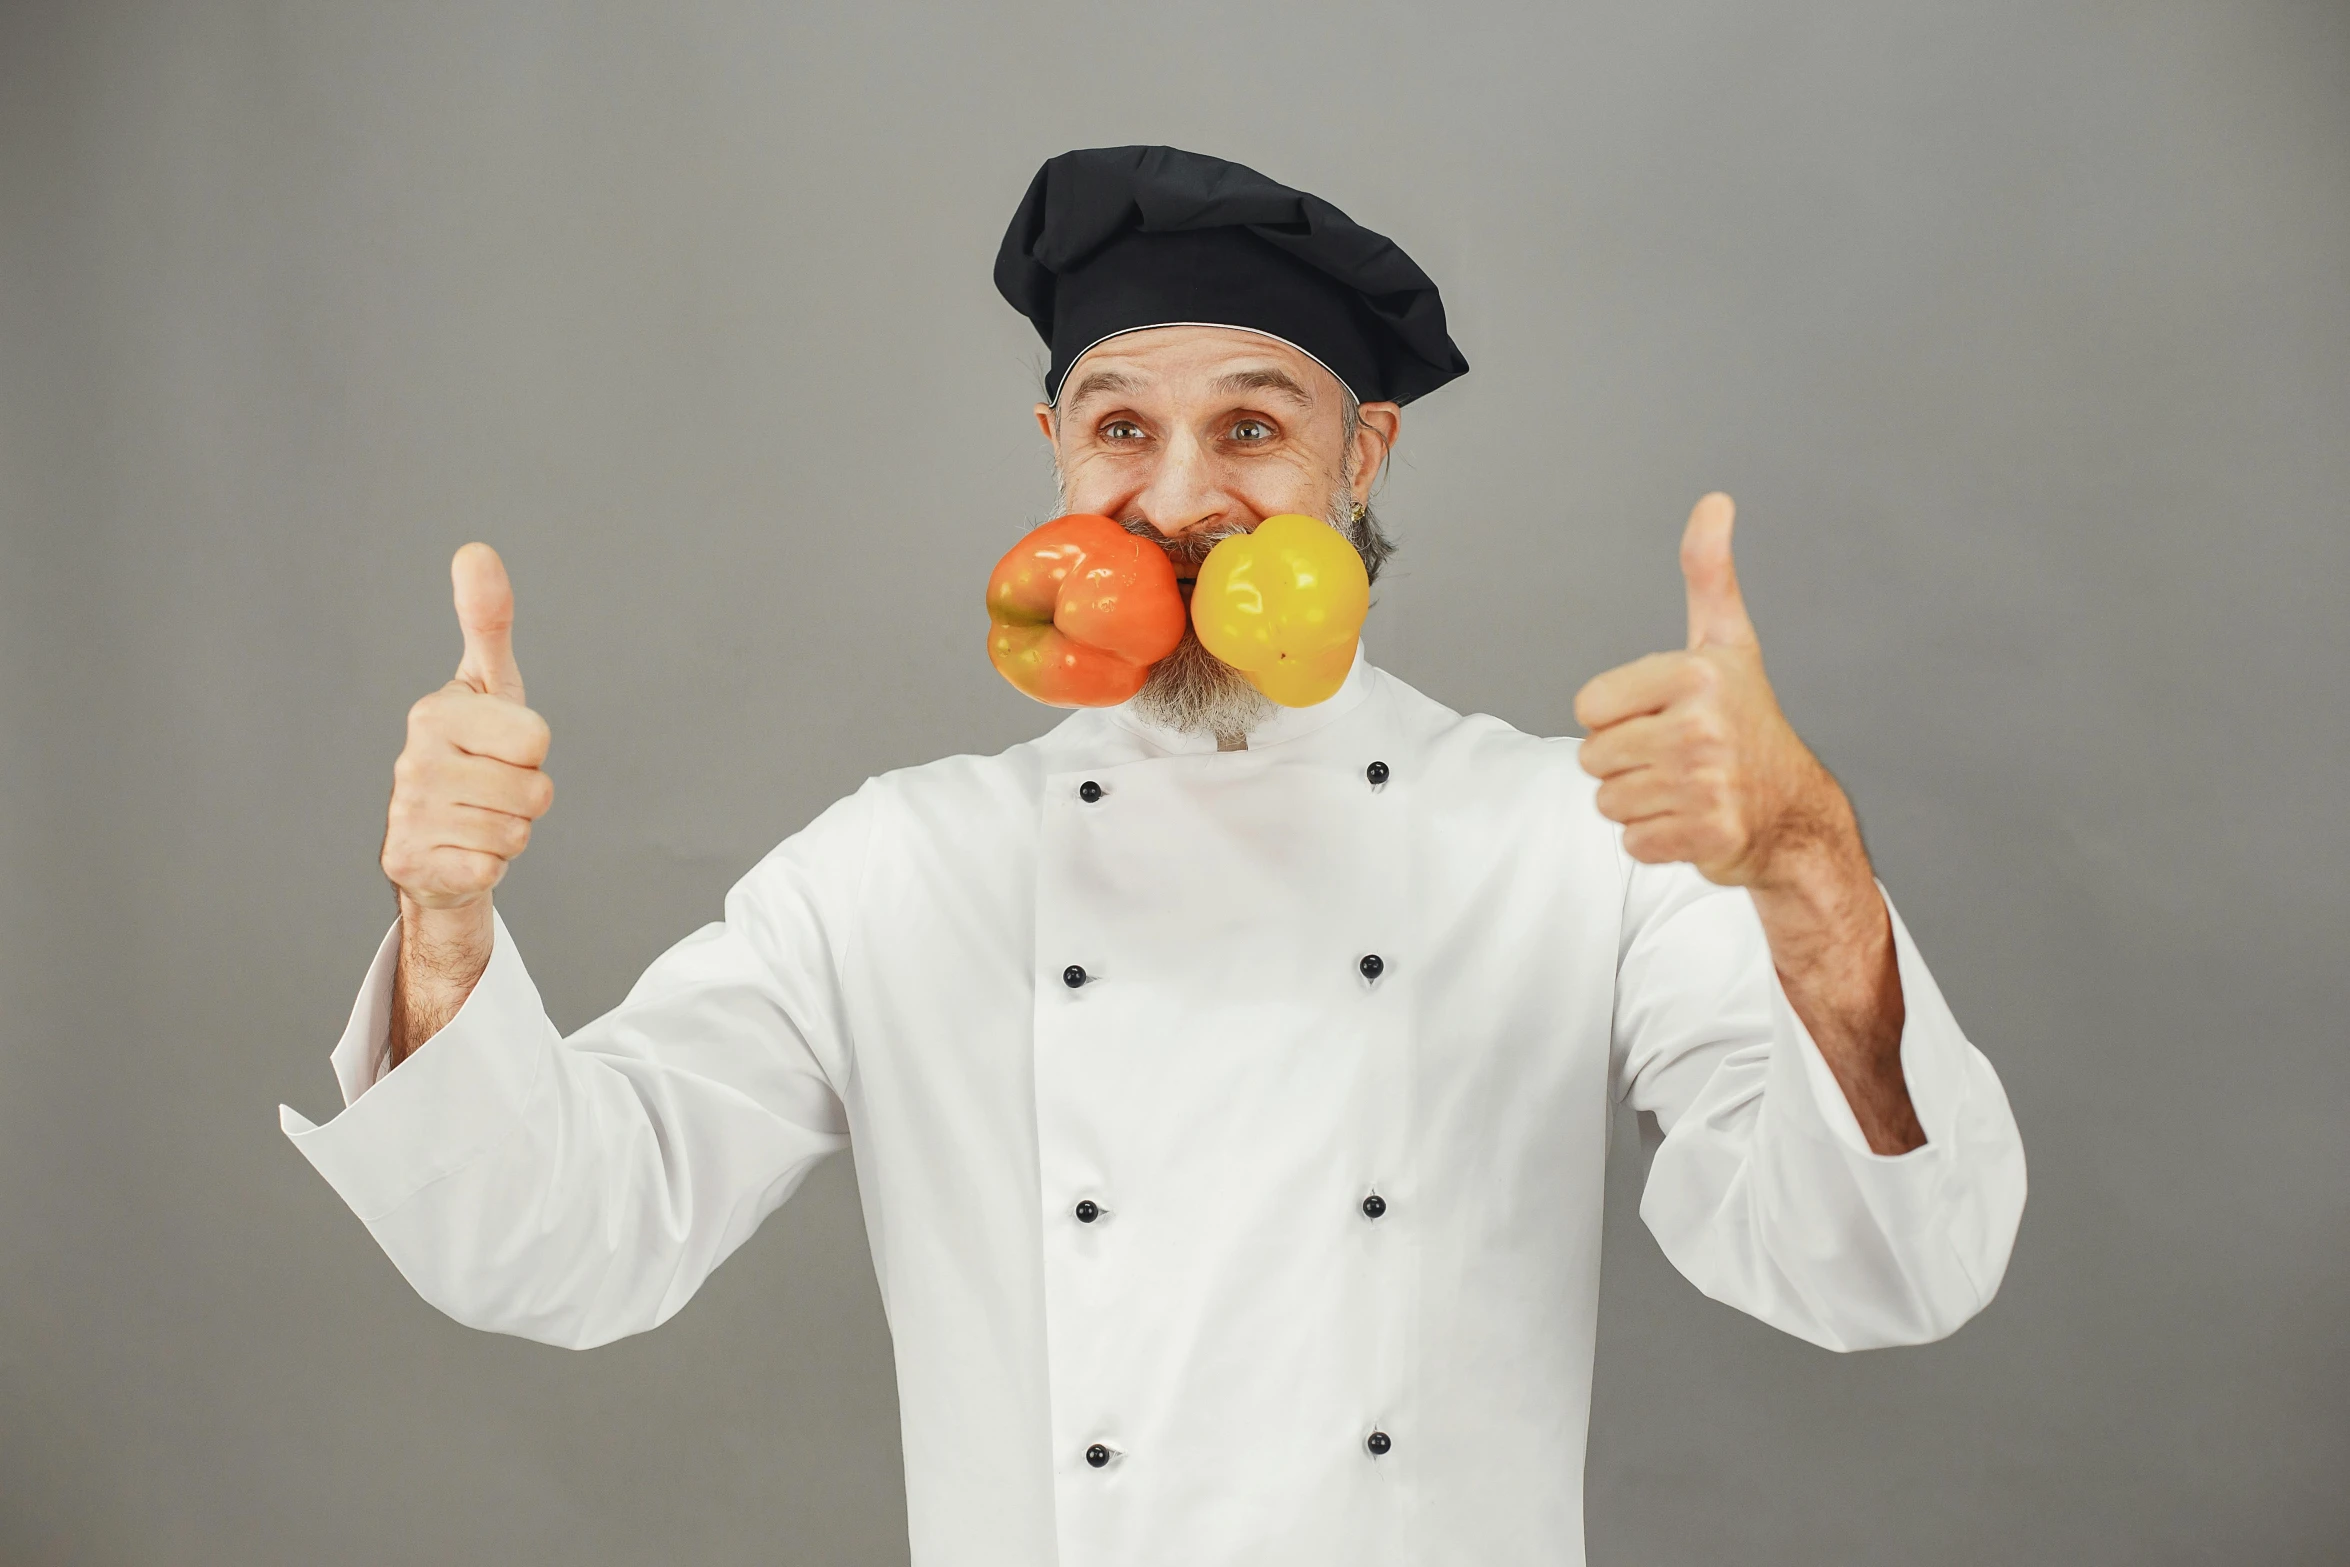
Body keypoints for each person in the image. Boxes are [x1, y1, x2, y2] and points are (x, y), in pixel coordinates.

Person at [281, 145, 2025, 1565]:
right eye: (1121, 426)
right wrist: (444, 920)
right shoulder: (904, 863)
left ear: (1365, 454)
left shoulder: (1571, 835)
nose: (1179, 498)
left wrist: (1801, 859)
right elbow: (558, 1242)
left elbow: (1875, 1270)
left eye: (1251, 427)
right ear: (1053, 453)